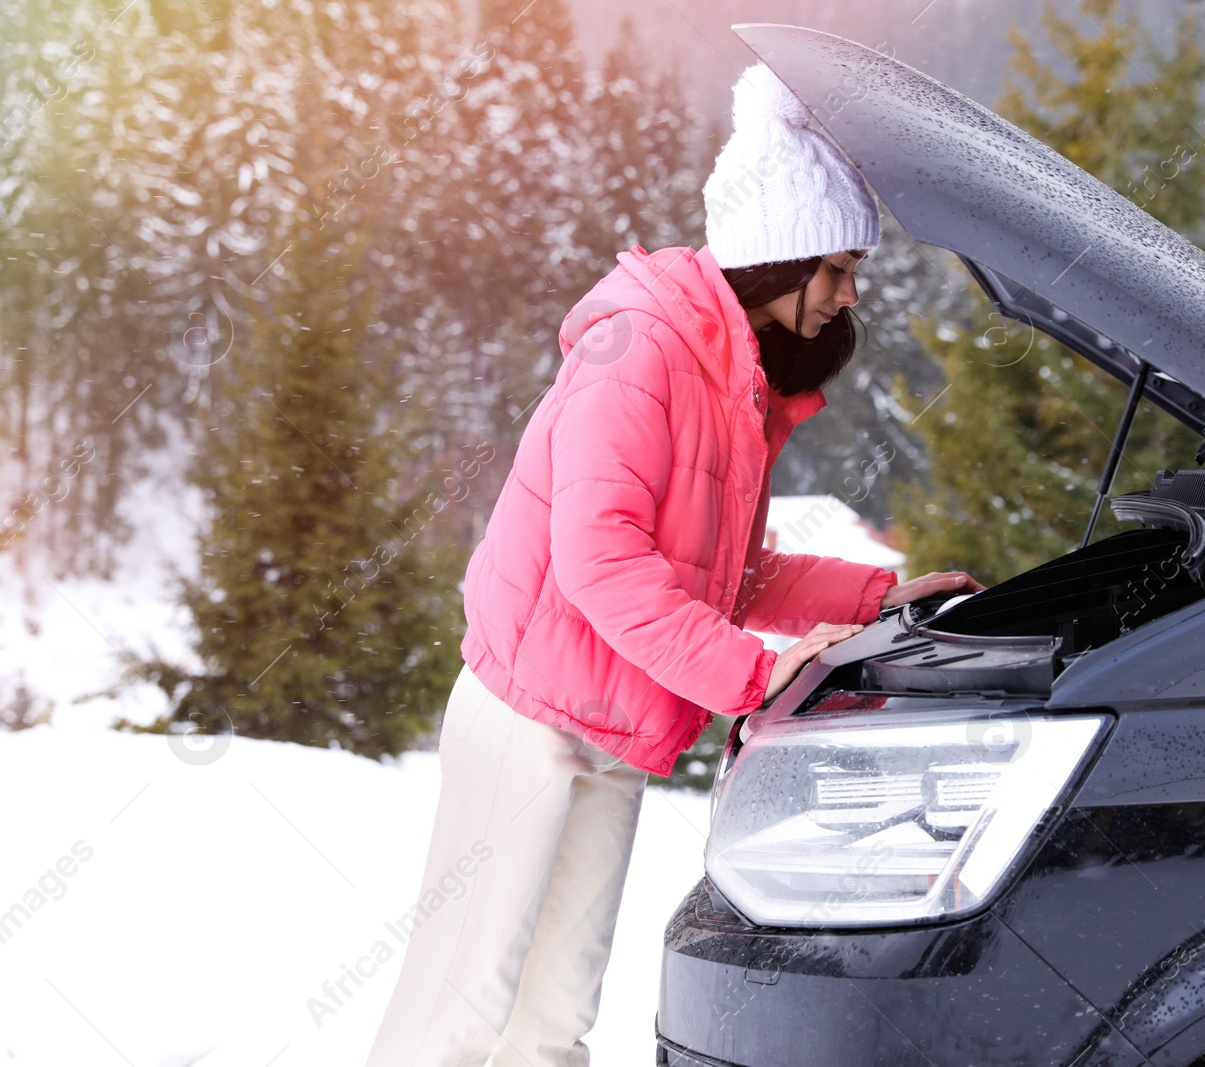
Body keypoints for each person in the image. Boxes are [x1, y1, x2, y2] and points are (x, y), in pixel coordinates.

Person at [363, 62, 984, 1067]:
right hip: (528, 713)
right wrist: (755, 670)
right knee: (460, 1009)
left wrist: (878, 594)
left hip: (614, 717)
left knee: (554, 1013)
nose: (849, 292)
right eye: (832, 268)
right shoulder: (642, 350)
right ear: (775, 257)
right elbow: (602, 562)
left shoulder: (732, 378)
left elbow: (726, 574)